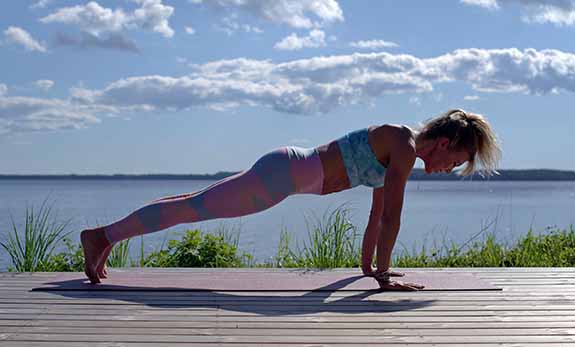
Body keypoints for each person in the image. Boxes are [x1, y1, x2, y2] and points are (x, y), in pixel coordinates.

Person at [81, 108, 501, 290]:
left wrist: (370, 267)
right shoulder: (403, 145)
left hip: (287, 172)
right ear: (444, 143)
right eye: (457, 160)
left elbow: (376, 216)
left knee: (195, 202)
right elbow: (393, 216)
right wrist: (386, 274)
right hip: (285, 175)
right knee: (195, 208)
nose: (450, 169)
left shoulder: (399, 148)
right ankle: (103, 236)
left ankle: (106, 237)